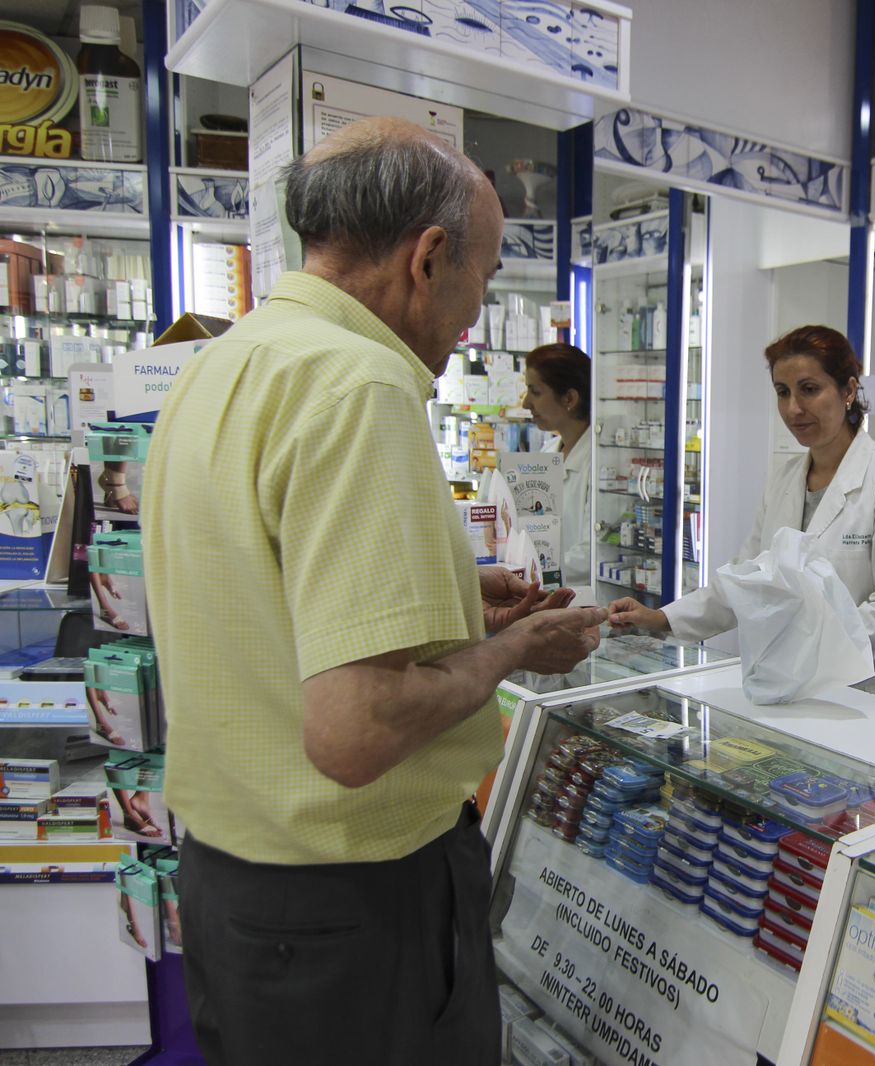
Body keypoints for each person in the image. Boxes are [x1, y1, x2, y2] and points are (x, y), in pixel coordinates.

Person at [143, 117, 607, 1066]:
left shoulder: (222, 364)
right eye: (483, 276)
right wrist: (513, 650)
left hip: (233, 886)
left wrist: (451, 596)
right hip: (351, 908)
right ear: (428, 258)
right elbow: (356, 732)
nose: (478, 309)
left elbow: (260, 585)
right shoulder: (359, 385)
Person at [608, 325, 875, 707]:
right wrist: (662, 619)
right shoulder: (785, 480)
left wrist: (803, 651)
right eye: (783, 392)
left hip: (873, 697)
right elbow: (746, 580)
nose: (793, 408)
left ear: (848, 391)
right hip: (792, 689)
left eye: (809, 389)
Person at [521, 342, 593, 587]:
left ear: (569, 398)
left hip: (584, 599)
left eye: (535, 392)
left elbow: (591, 555)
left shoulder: (599, 461)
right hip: (544, 592)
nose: (526, 403)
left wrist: (532, 575)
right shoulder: (547, 452)